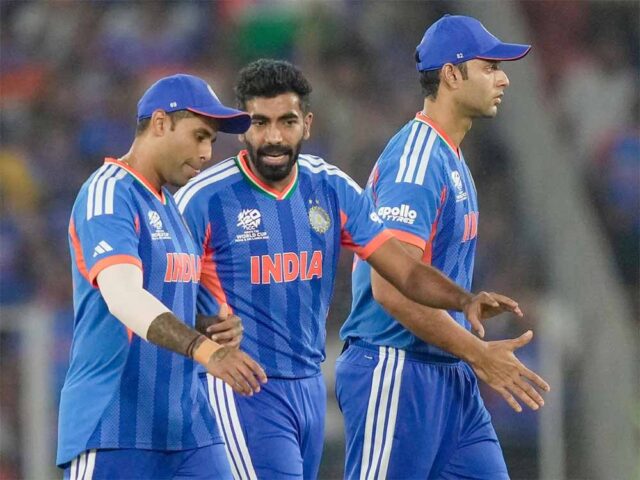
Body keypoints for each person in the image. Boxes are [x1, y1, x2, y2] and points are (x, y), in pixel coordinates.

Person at [176, 59, 524, 480]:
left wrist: (463, 299)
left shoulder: (332, 187)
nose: (274, 137)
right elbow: (155, 292)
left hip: (308, 388)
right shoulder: (202, 199)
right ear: (241, 129)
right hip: (242, 387)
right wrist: (204, 333)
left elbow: (404, 271)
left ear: (307, 124)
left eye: (287, 122)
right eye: (260, 122)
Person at [335, 14, 550, 479]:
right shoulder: (416, 160)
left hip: (448, 374)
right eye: (490, 67)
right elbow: (390, 288)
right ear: (452, 74)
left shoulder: (449, 156)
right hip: (397, 366)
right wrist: (479, 353)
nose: (503, 79)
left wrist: (464, 307)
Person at [57, 74, 267, 480]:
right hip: (115, 425)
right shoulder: (109, 192)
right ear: (159, 123)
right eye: (199, 136)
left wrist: (211, 328)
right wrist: (207, 351)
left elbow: (165, 304)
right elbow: (123, 297)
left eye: (211, 141)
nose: (207, 153)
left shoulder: (171, 207)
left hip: (187, 427)